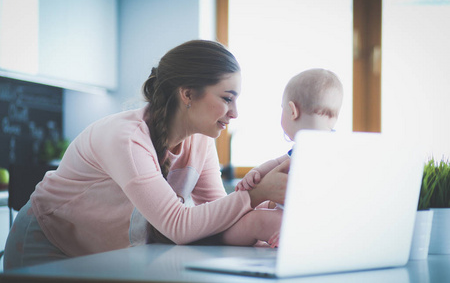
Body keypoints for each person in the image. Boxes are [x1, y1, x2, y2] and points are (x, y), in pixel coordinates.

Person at [3, 40, 289, 270]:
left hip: (102, 252)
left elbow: (217, 217)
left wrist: (259, 223)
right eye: (227, 98)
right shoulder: (126, 138)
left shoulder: (200, 142)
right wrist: (253, 196)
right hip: (47, 246)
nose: (235, 112)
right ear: (188, 94)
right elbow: (178, 225)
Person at [221, 68, 343, 247]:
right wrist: (257, 172)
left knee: (254, 220)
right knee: (264, 207)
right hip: (323, 222)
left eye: (282, 109)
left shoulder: (312, 149)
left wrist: (297, 229)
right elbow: (278, 163)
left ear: (293, 111)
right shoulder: (335, 148)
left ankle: (219, 239)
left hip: (306, 224)